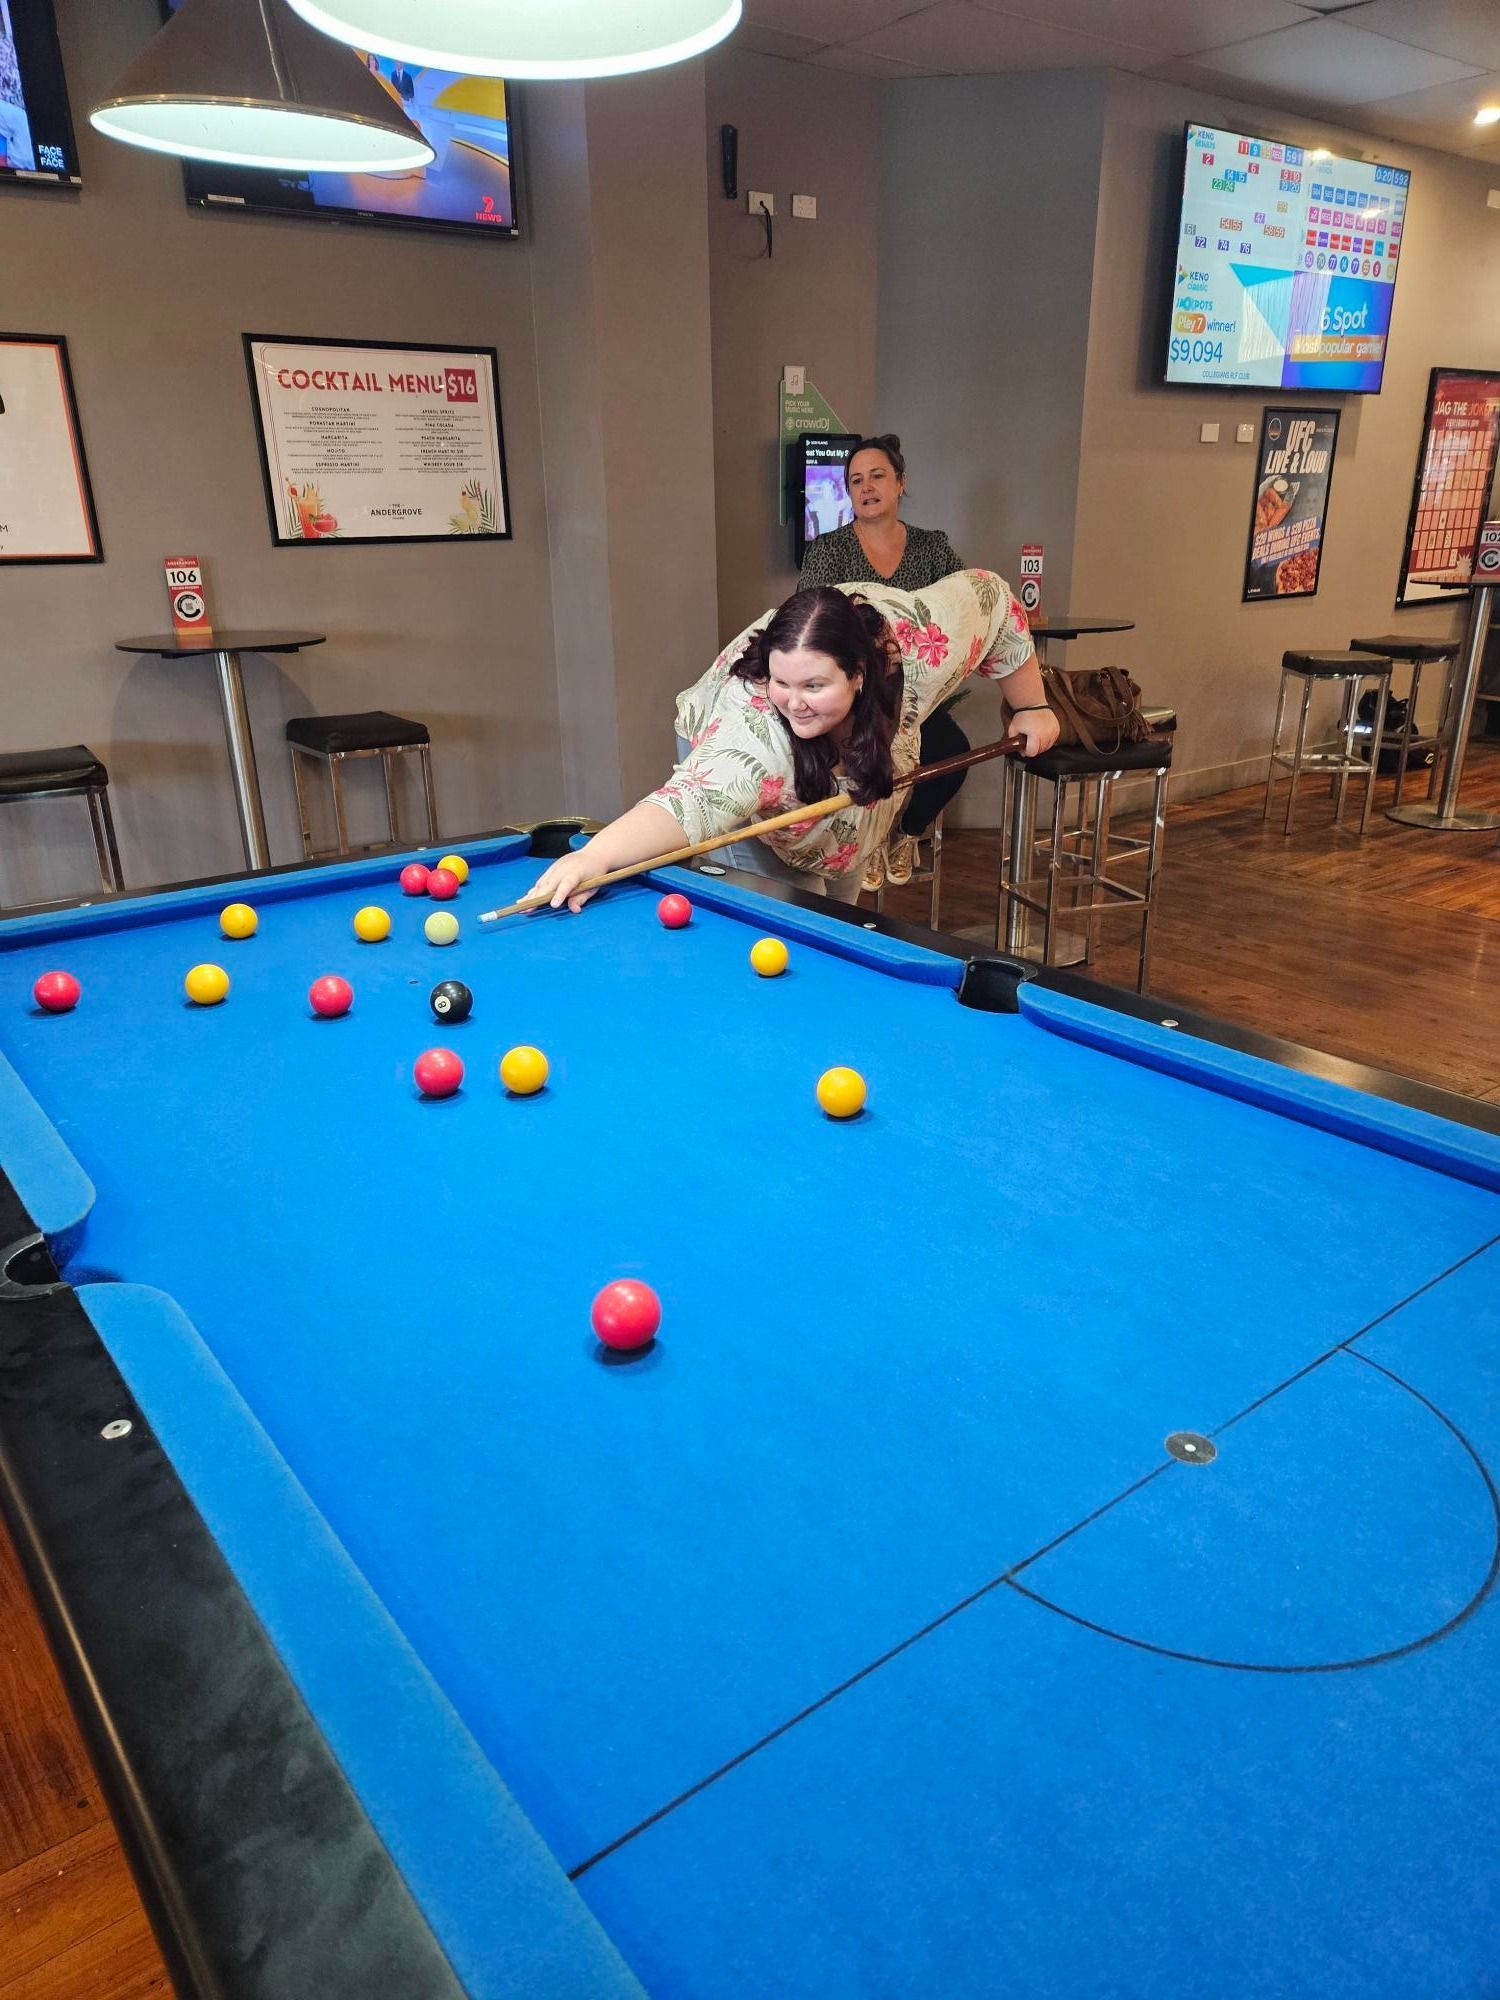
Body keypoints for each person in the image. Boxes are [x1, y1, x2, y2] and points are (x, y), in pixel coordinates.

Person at [528, 569, 1059, 914]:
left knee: (844, 903)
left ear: (859, 674)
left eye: (813, 685)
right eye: (783, 682)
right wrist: (592, 859)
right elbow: (687, 802)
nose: (795, 701)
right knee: (791, 910)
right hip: (727, 759)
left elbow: (993, 599)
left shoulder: (923, 643)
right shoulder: (756, 733)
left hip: (857, 756)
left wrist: (1031, 704)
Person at [797, 435, 975, 861]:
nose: (867, 487)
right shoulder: (828, 551)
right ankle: (866, 846)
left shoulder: (933, 548)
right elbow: (809, 626)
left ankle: (905, 834)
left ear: (900, 483)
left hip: (918, 699)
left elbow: (964, 604)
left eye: (877, 476)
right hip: (855, 702)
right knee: (863, 766)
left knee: (954, 754)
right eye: (856, 480)